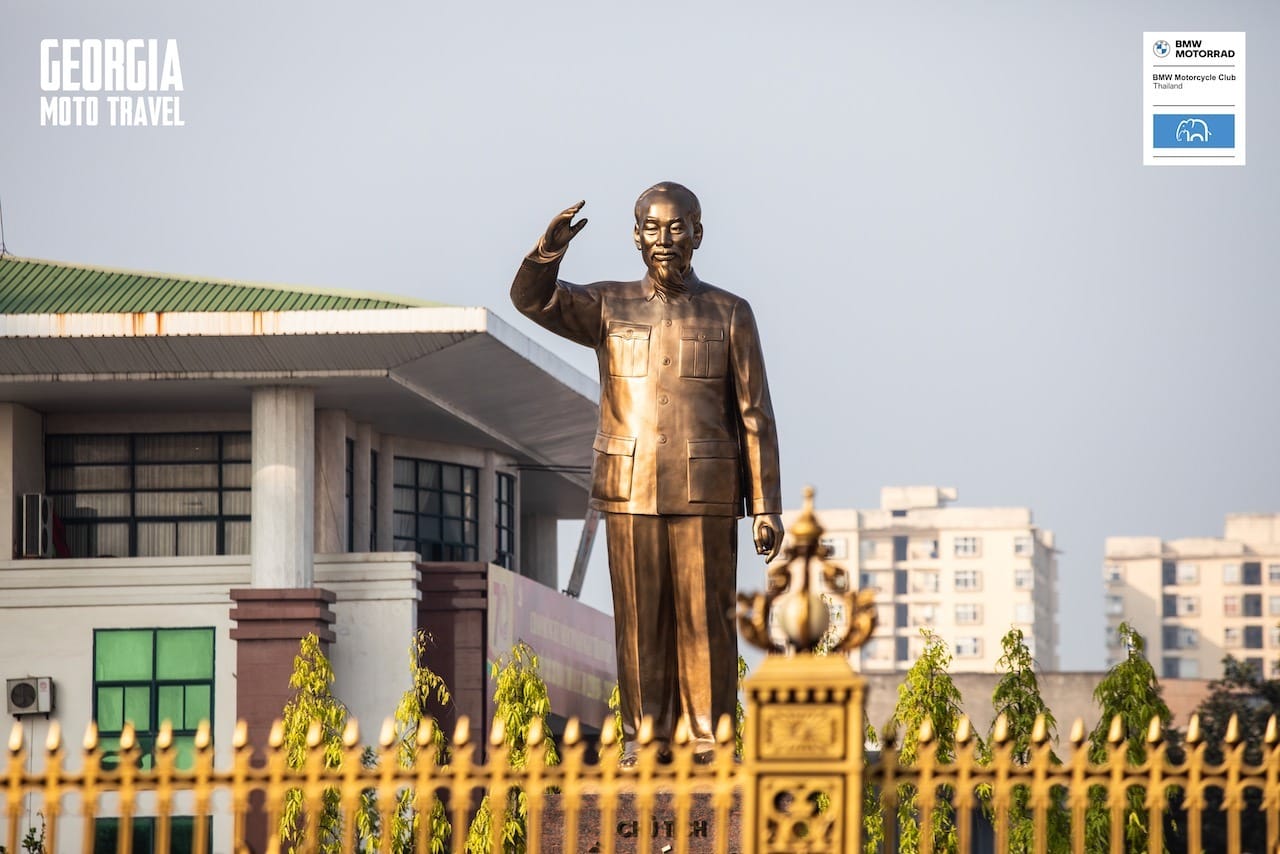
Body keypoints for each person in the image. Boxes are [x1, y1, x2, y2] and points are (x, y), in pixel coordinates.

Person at [510, 182, 782, 761]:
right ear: (635, 237)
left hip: (706, 491)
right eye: (652, 228)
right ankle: (644, 739)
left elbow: (754, 414)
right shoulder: (608, 305)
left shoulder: (730, 312)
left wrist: (765, 506)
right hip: (630, 486)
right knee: (638, 621)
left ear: (698, 234)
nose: (664, 239)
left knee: (706, 619)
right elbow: (533, 302)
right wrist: (547, 253)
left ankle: (710, 739)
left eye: (676, 227)